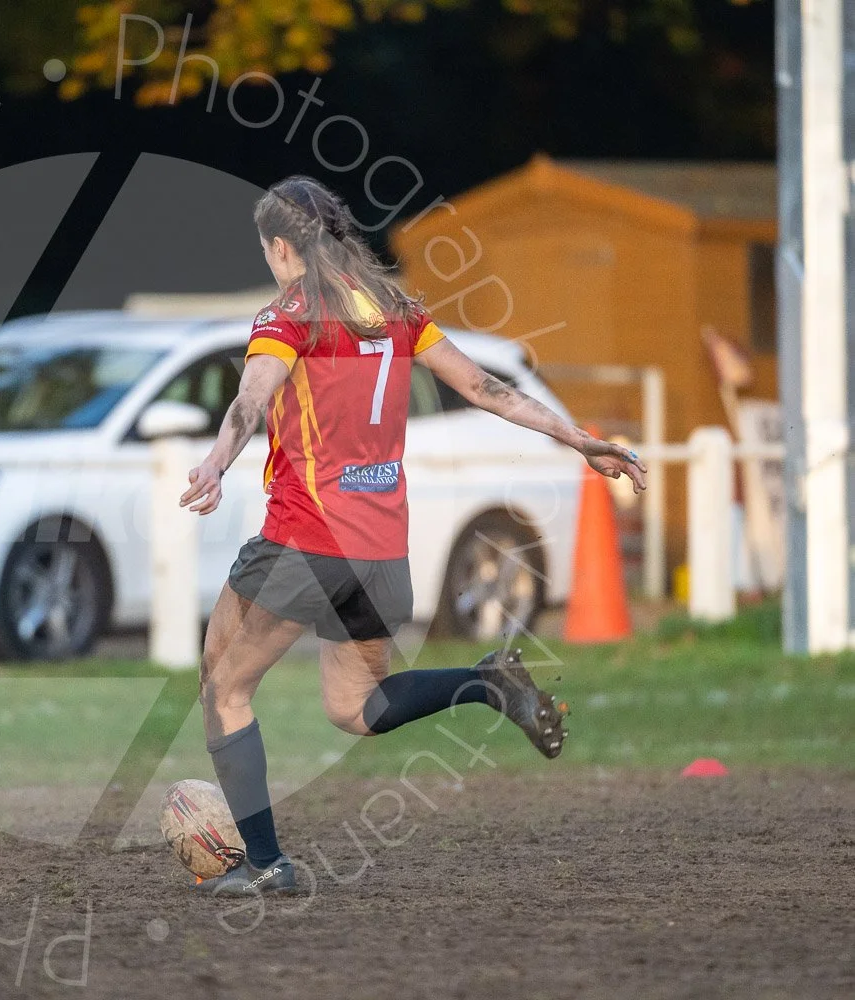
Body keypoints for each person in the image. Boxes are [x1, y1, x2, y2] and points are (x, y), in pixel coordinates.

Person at [178, 176, 647, 896]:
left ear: (280, 247)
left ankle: (266, 864)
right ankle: (486, 684)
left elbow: (251, 397)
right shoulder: (396, 310)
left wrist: (214, 462)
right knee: (355, 709)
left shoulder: (289, 314)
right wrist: (581, 440)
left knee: (223, 687)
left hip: (305, 541)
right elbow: (485, 388)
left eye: (266, 248)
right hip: (380, 555)